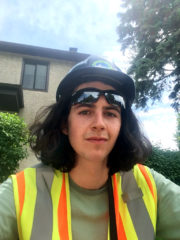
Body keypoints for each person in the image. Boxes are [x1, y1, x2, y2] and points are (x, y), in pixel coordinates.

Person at [0, 56, 180, 240]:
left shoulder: (150, 185)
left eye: (110, 113)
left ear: (121, 125)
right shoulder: (19, 192)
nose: (99, 124)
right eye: (85, 111)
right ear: (64, 124)